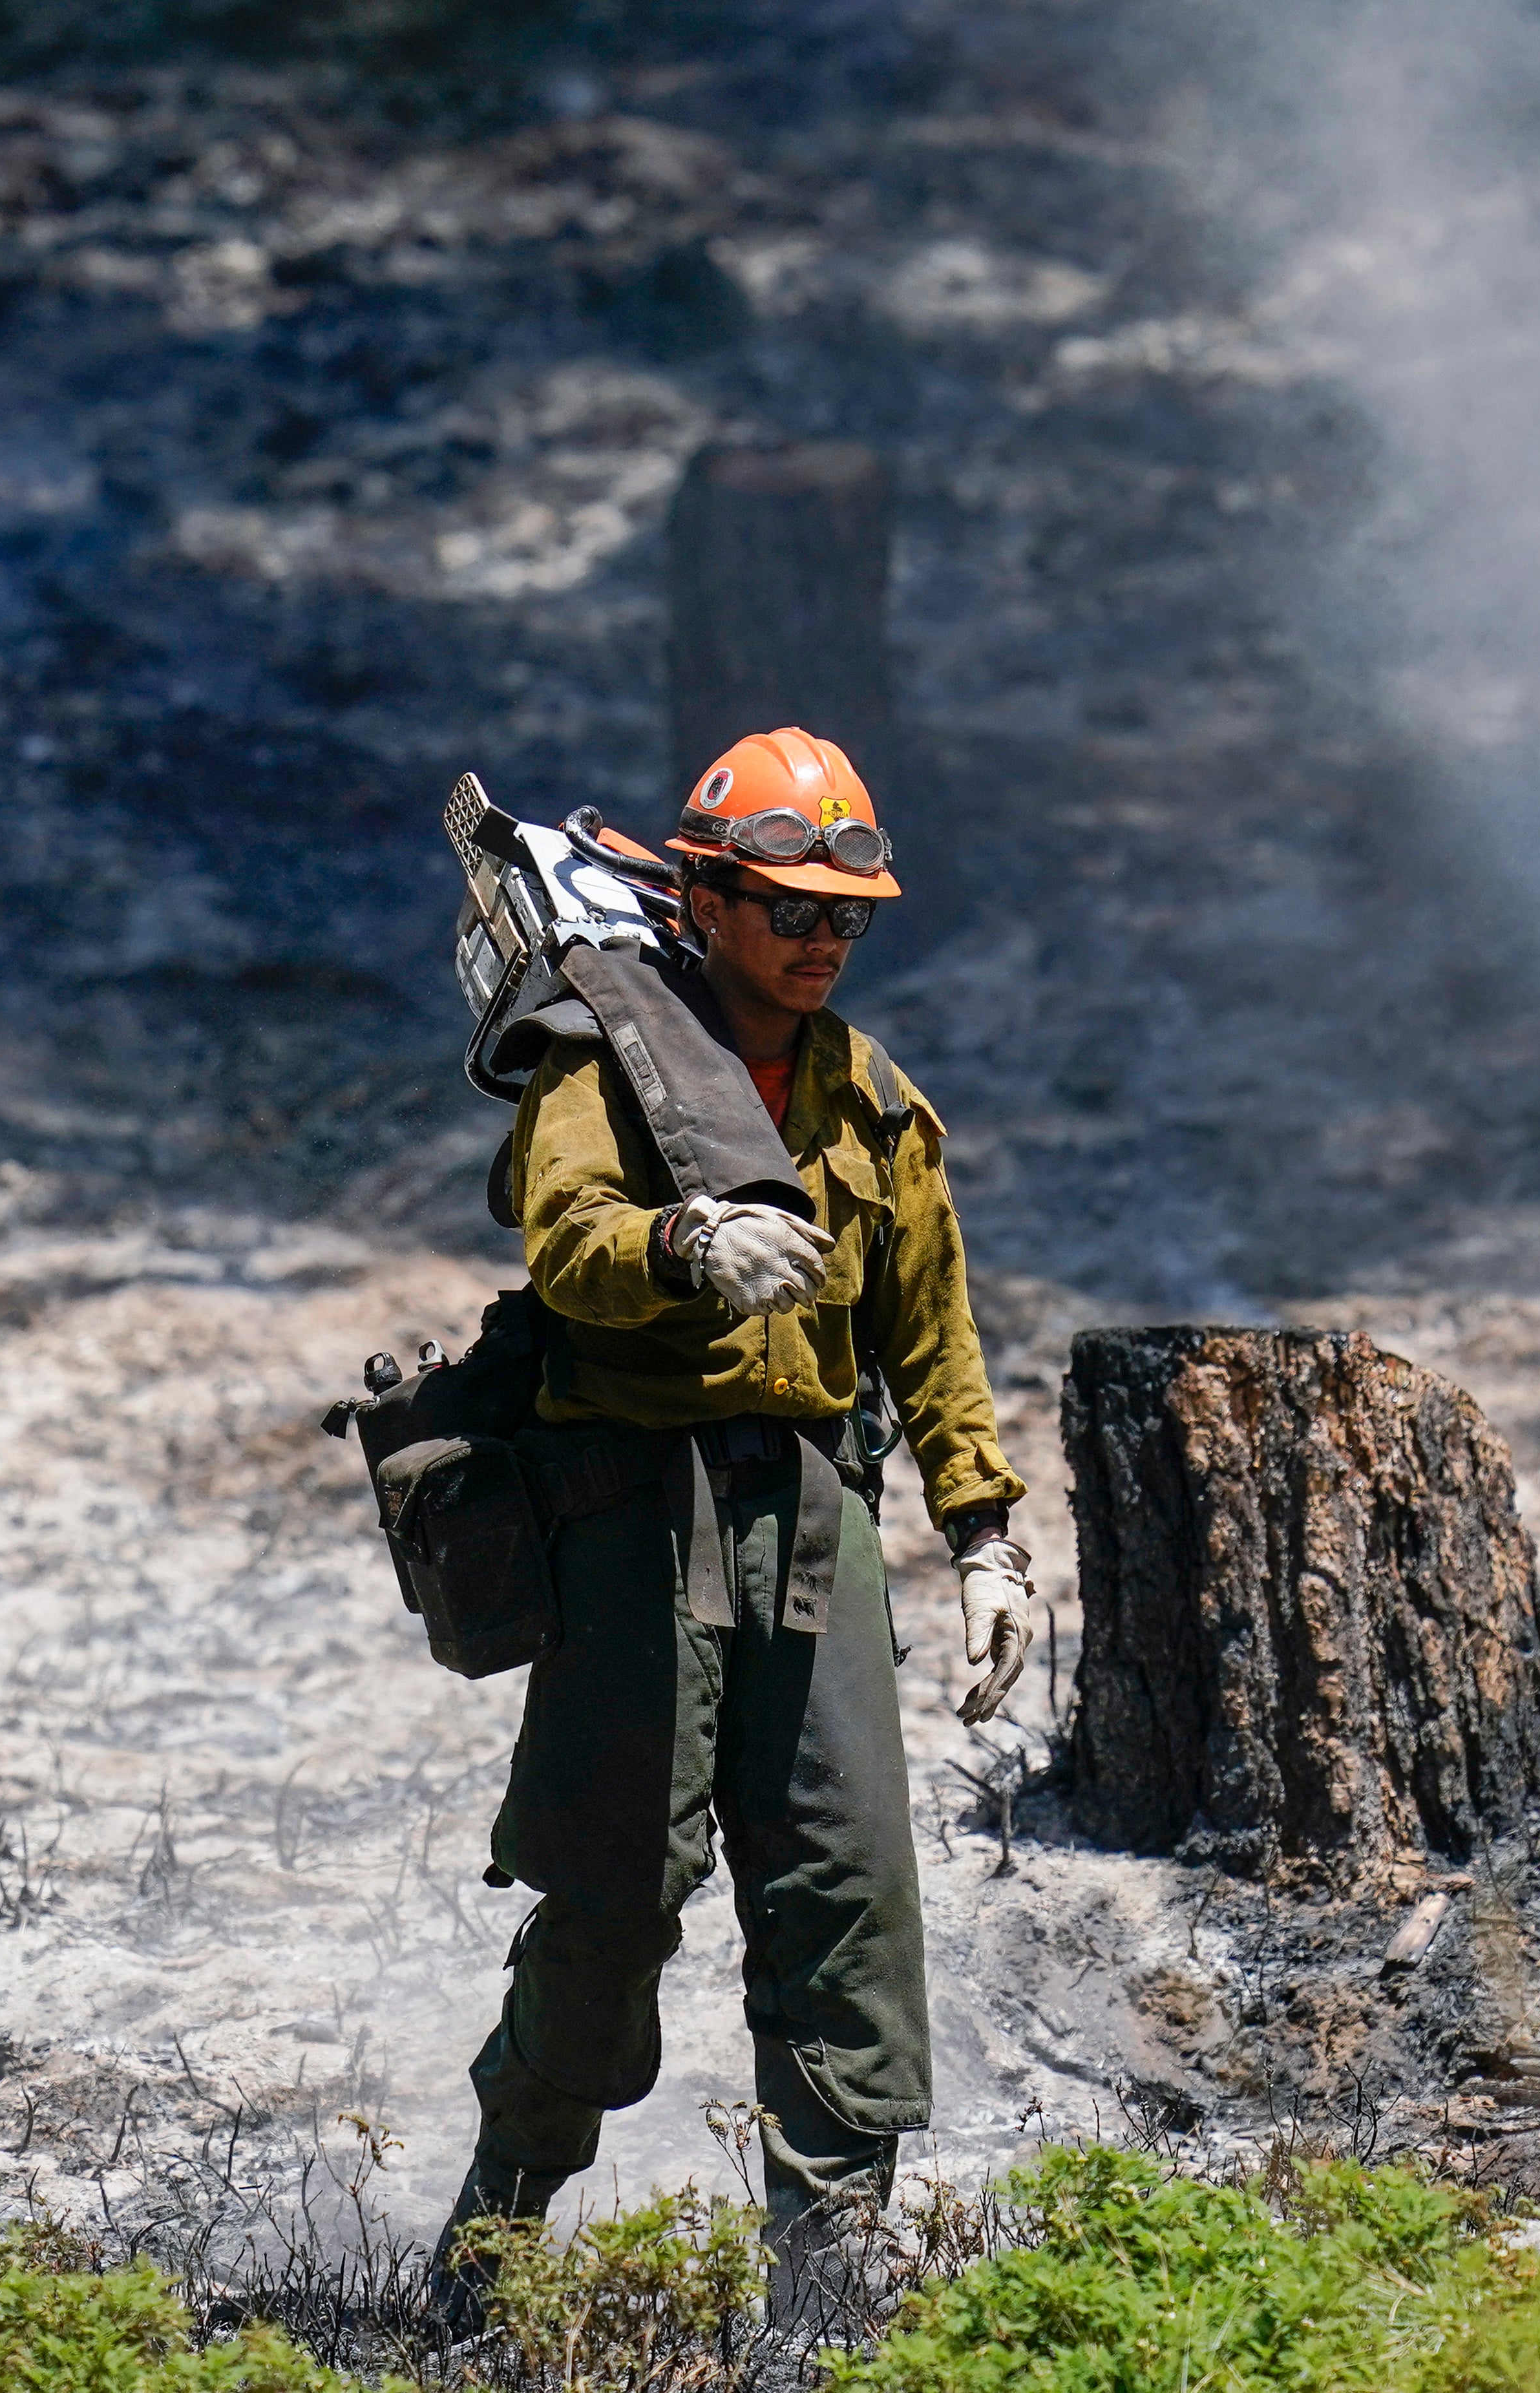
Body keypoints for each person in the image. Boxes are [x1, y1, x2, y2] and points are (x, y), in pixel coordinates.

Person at [438, 725, 1040, 2336]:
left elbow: (933, 1335)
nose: (822, 937)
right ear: (703, 896)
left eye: (847, 913)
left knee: (848, 1886)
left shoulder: (871, 1097)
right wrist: (685, 1239)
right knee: (617, 1890)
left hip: (814, 1524)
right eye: (789, 905)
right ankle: (495, 2235)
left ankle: (825, 2286)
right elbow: (566, 1242)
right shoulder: (611, 1053)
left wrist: (986, 1537)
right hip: (639, 1517)